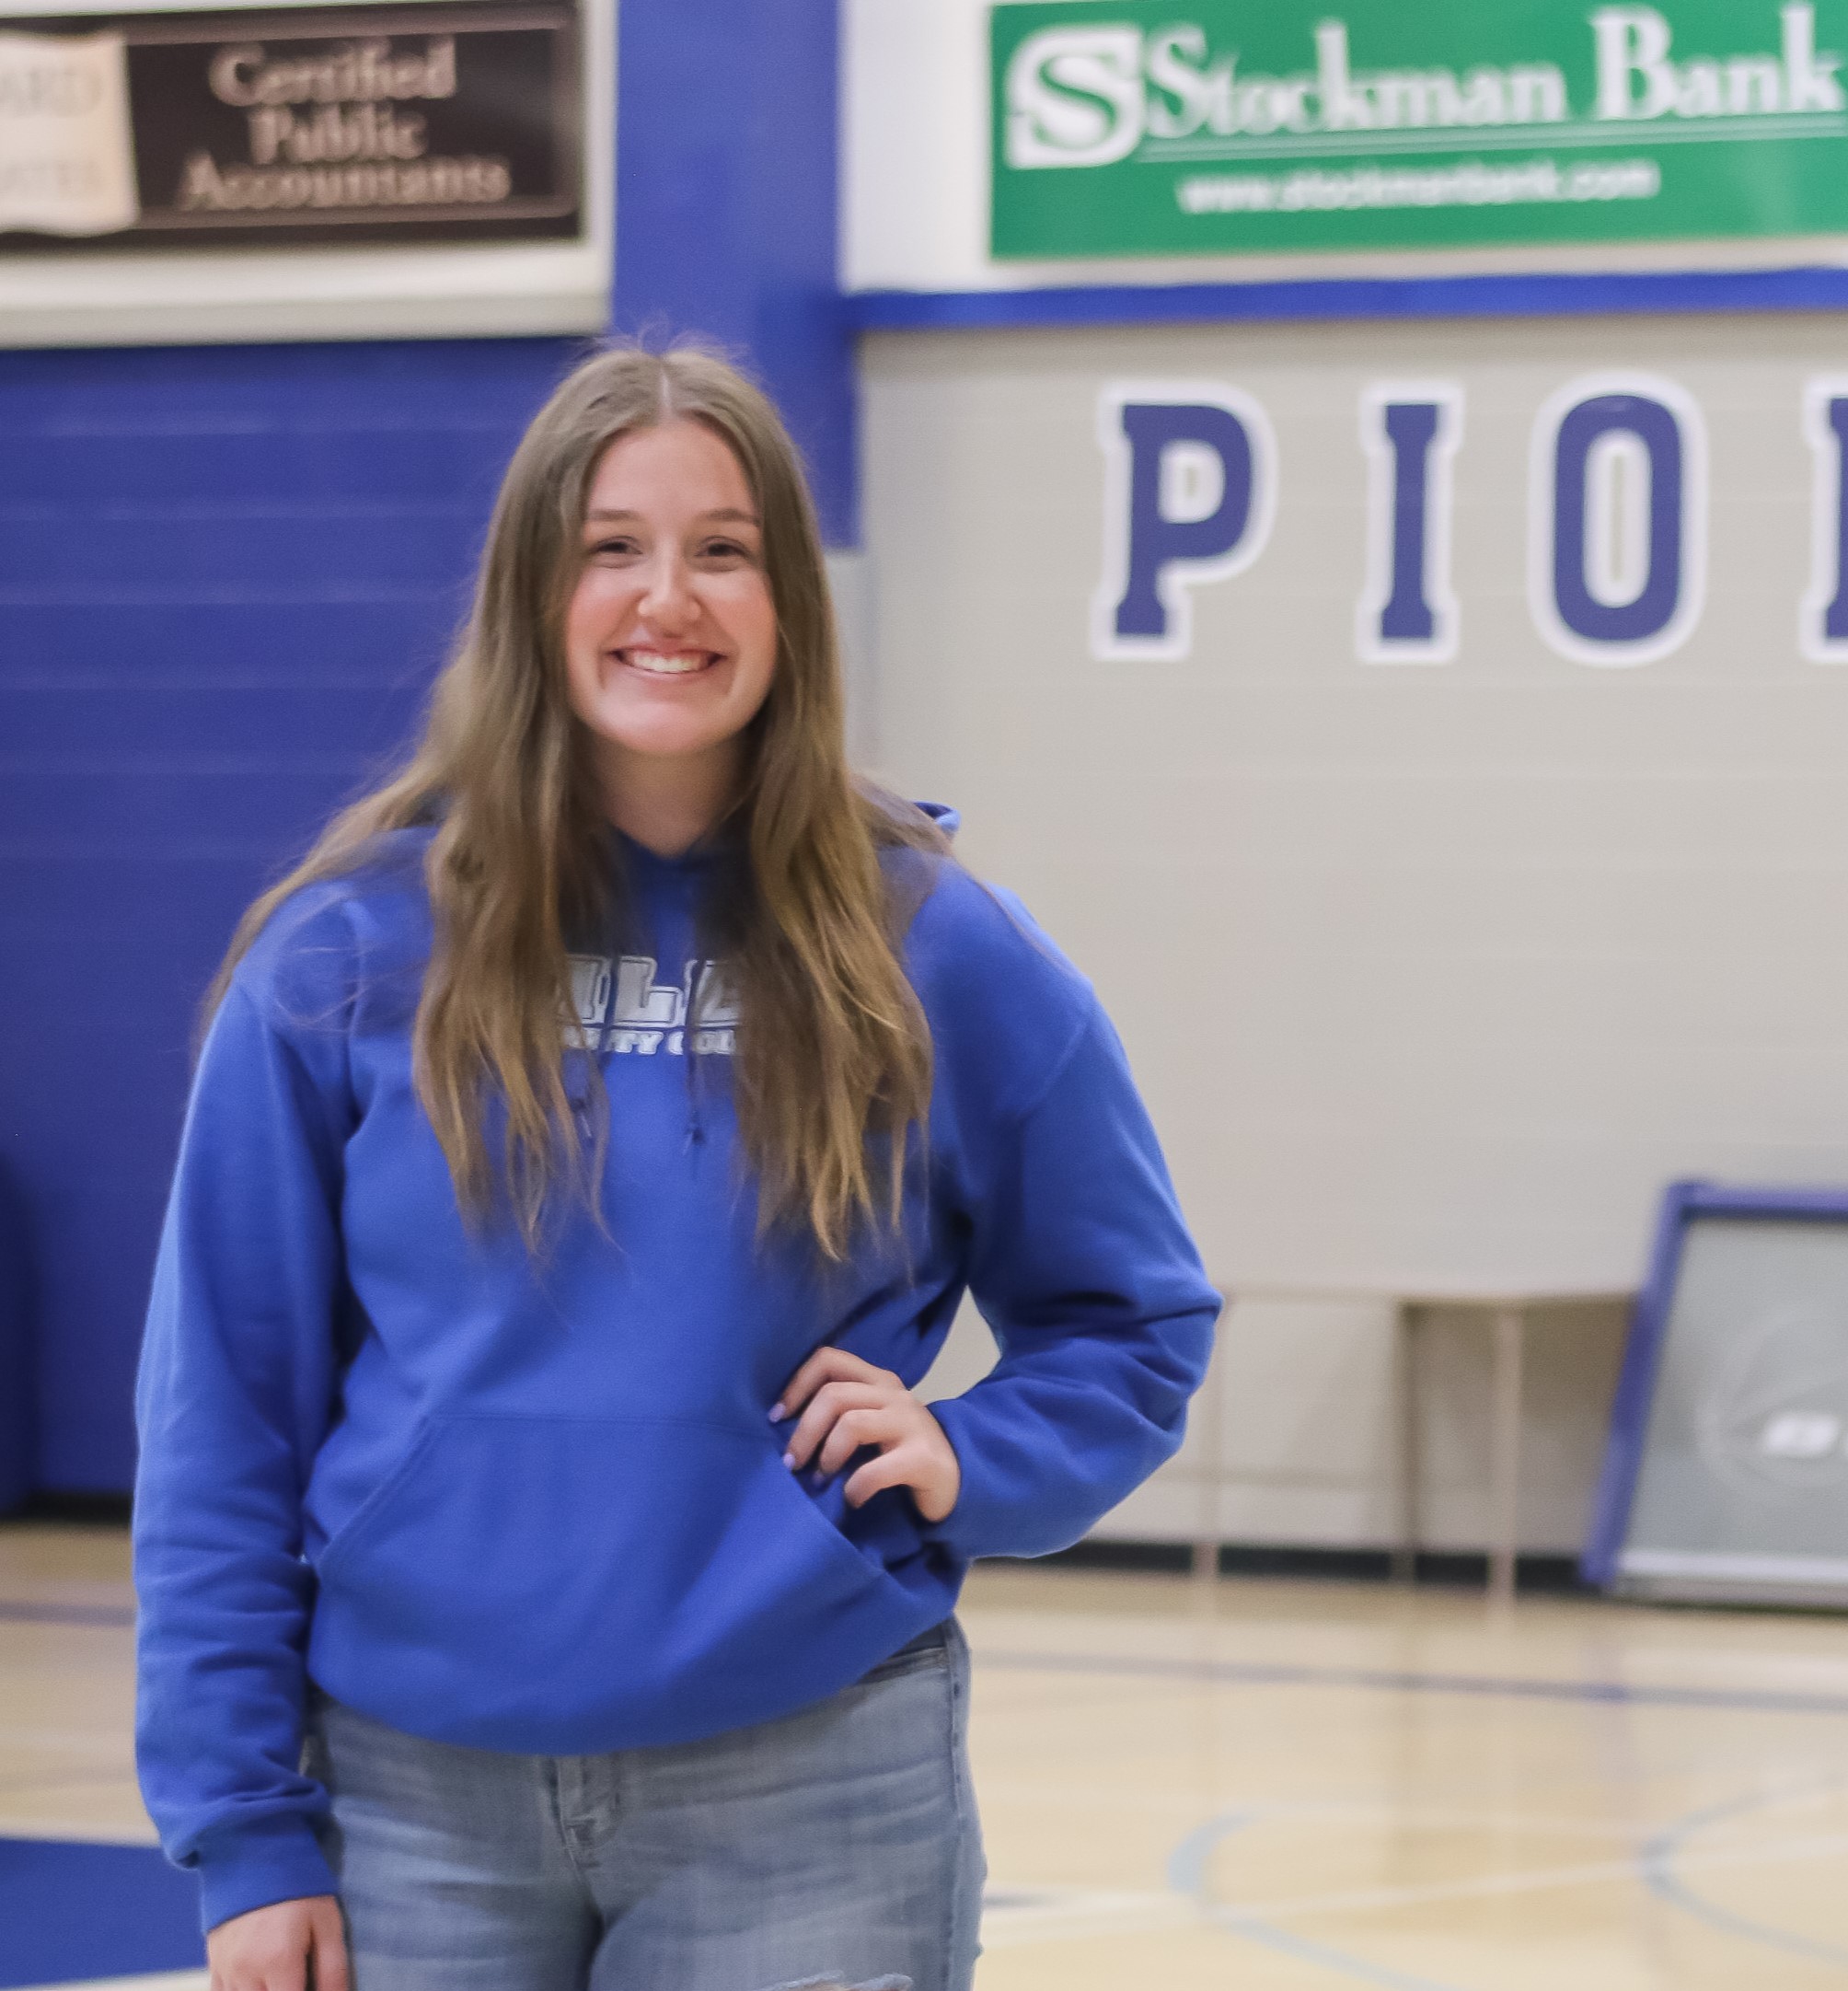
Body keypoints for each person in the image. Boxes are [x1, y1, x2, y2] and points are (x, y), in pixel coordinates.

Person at [132, 342, 1219, 1991]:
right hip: (408, 1805)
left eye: (724, 548)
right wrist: (242, 1828)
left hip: (813, 1791)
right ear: (530, 597)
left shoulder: (933, 947)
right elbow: (224, 1409)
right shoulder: (345, 956)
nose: (670, 597)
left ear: (790, 600)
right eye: (611, 547)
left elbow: (1135, 1323)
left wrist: (971, 1453)